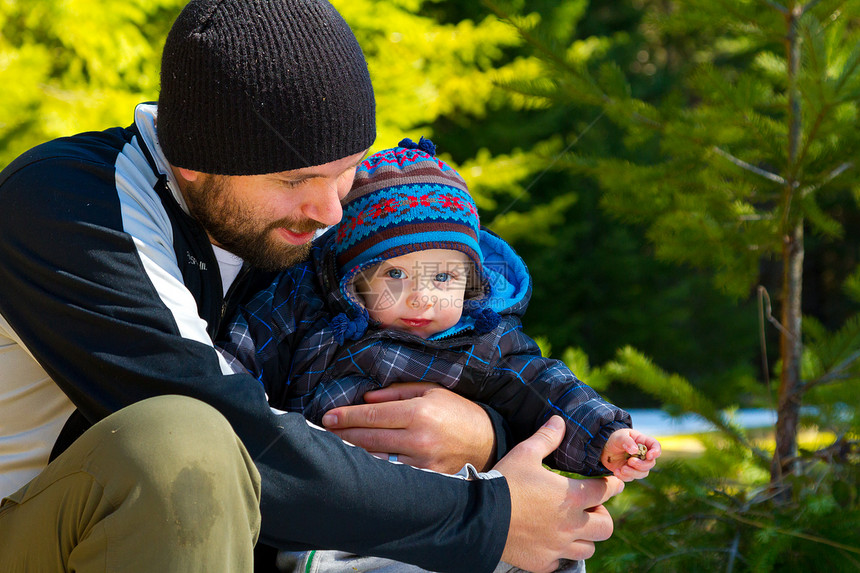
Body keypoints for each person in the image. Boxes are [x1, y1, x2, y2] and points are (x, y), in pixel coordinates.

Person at [0, 1, 624, 572]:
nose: (329, 212)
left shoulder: (302, 227)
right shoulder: (67, 206)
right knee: (181, 443)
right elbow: (244, 443)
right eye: (295, 180)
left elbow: (415, 366)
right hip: (34, 527)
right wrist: (487, 516)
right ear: (193, 163)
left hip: (223, 532)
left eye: (347, 171)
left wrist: (485, 436)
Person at [221, 137, 661, 484]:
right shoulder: (309, 313)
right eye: (394, 275)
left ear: (470, 281)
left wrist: (605, 435)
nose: (421, 298)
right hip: (318, 501)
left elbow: (547, 391)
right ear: (354, 277)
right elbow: (239, 355)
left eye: (443, 278)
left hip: (438, 515)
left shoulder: (486, 345)